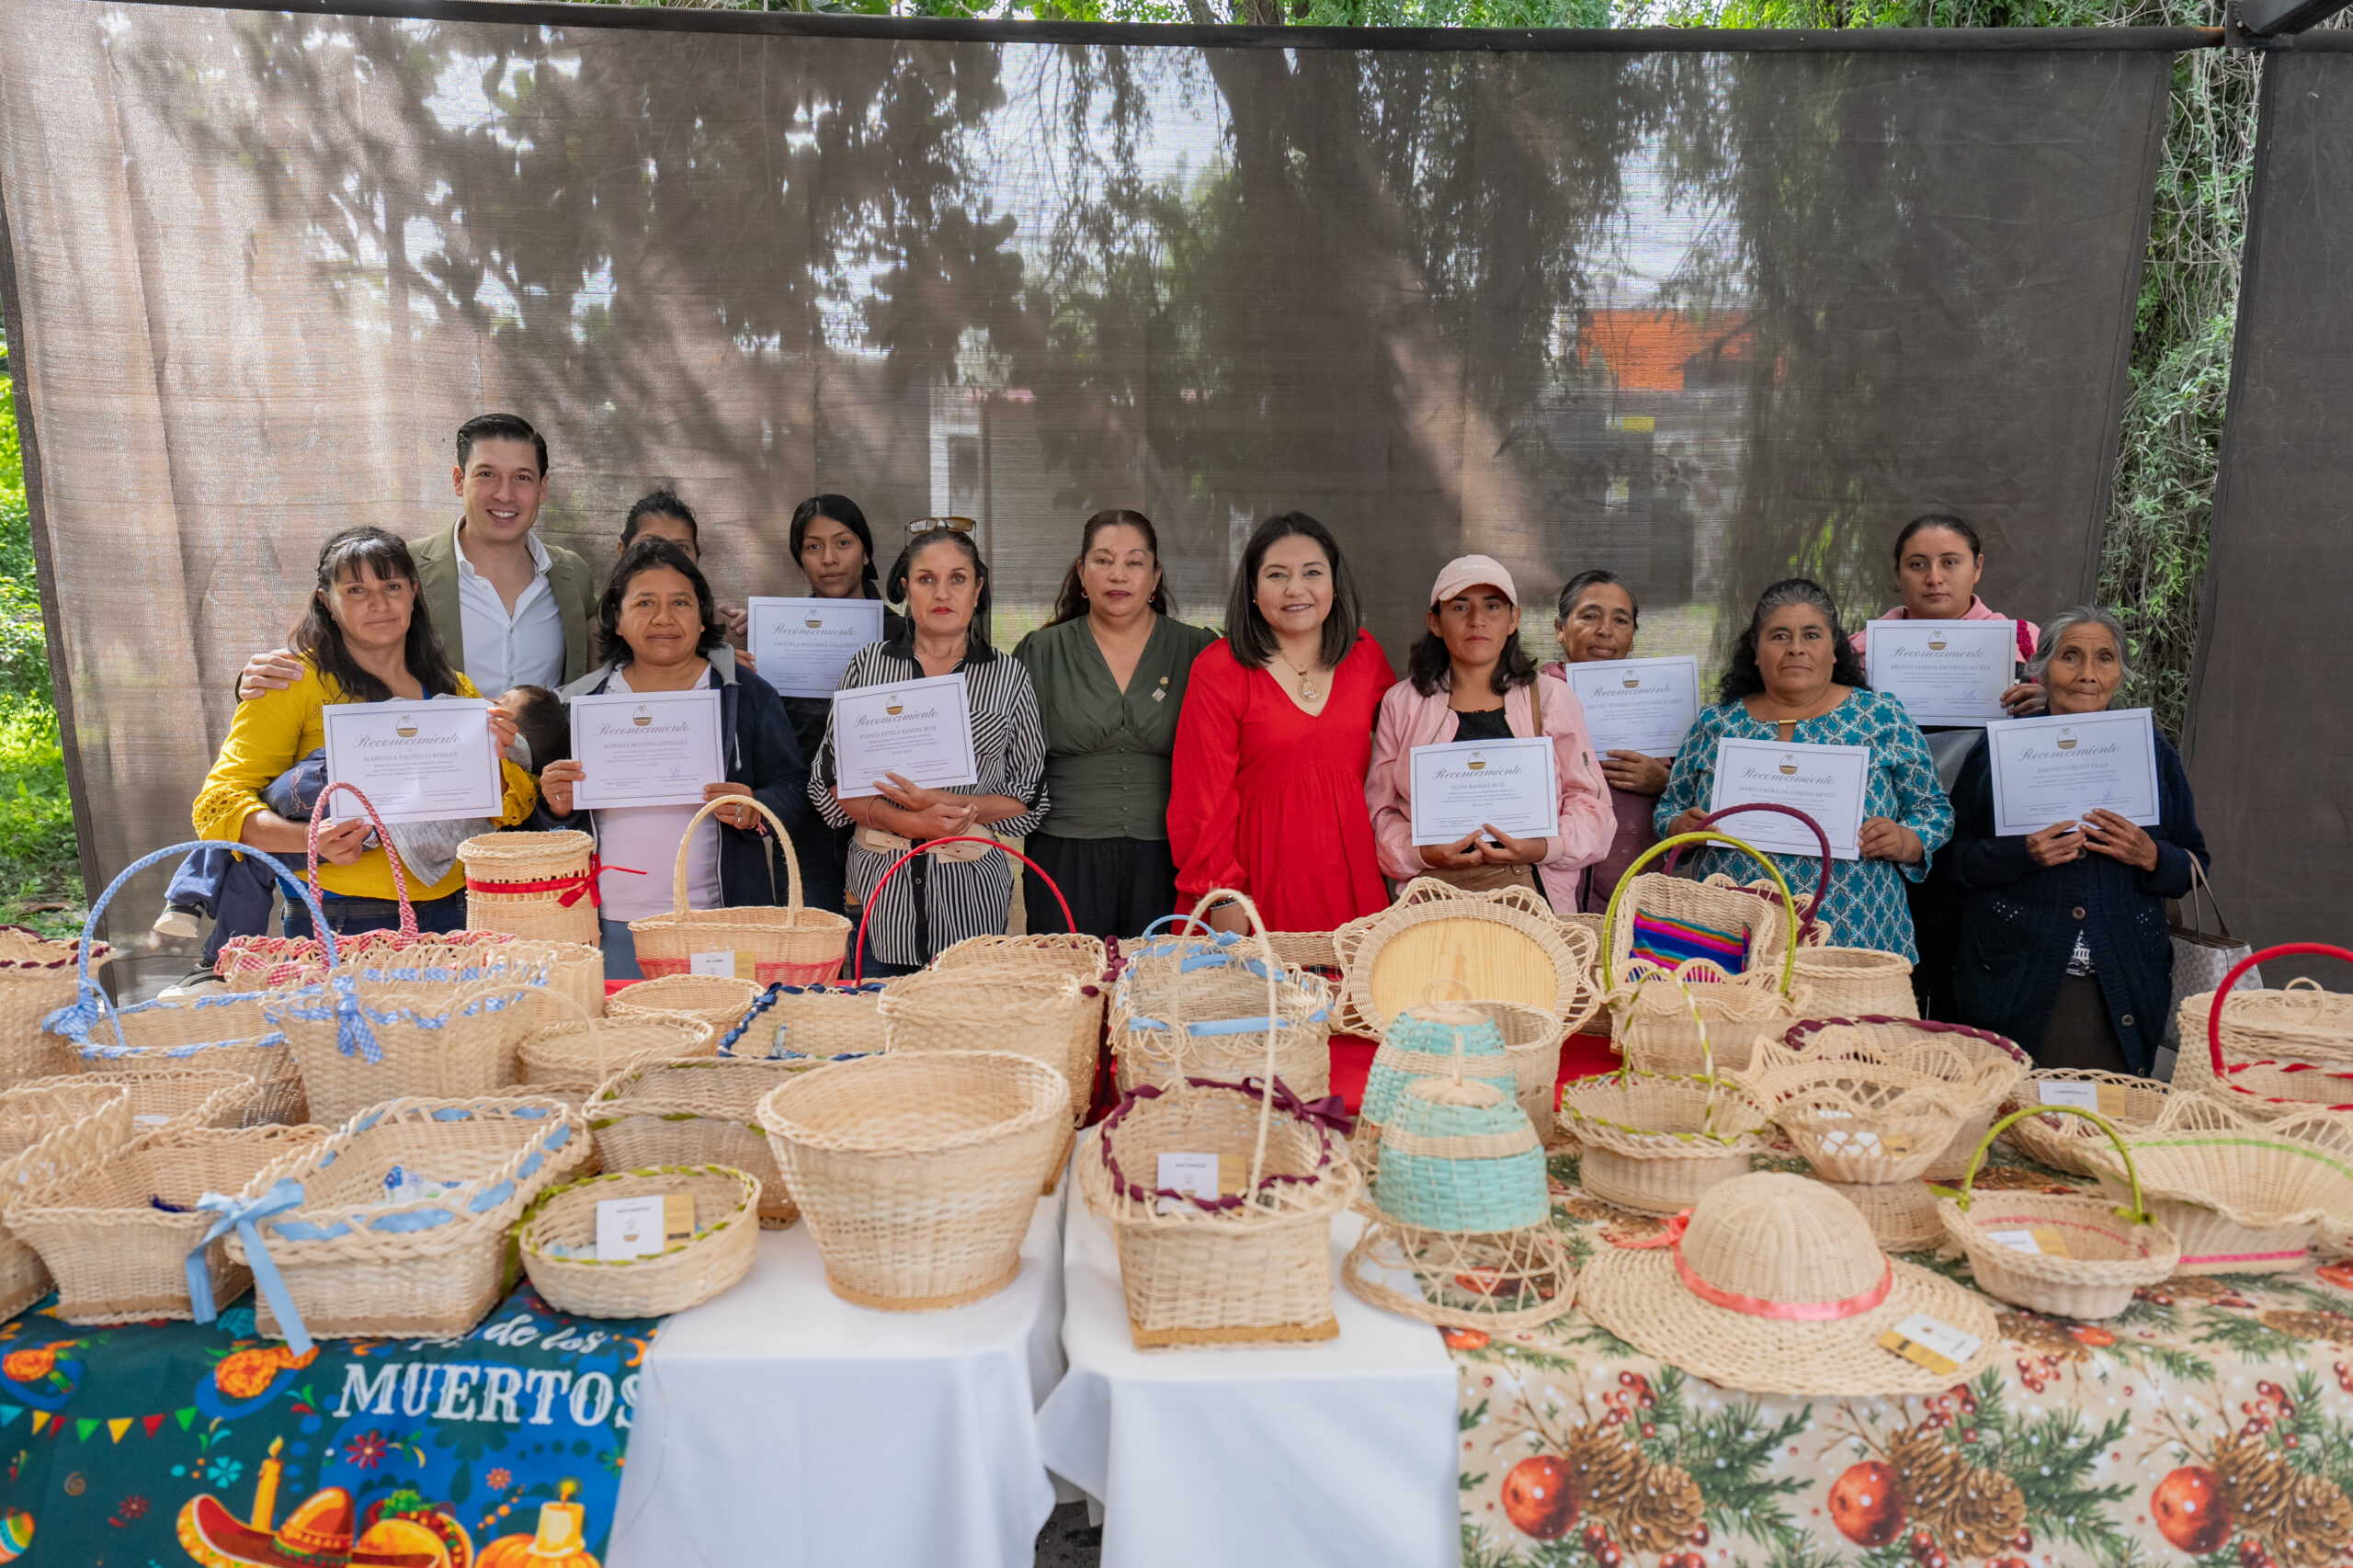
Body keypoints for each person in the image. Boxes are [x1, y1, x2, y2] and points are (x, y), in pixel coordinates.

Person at [189, 528, 538, 943]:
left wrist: (497, 763)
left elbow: (509, 809)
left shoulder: (455, 689)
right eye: (356, 590)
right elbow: (216, 805)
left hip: (460, 911)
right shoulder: (291, 684)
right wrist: (309, 838)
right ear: (327, 602)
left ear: (413, 592)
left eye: (392, 586)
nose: (379, 604)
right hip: (339, 919)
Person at [535, 538, 814, 980]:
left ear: (703, 619)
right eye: (645, 602)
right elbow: (549, 828)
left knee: (720, 1036)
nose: (664, 618)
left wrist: (753, 807)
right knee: (625, 1041)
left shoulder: (745, 695)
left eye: (680, 602)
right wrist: (555, 809)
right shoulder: (578, 705)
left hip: (720, 920)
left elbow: (796, 787)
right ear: (617, 619)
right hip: (605, 923)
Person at [1949, 608, 2207, 1074]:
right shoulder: (2000, 750)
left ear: (2120, 673)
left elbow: (2194, 865)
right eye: (2071, 657)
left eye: (2105, 658)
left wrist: (2151, 856)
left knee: (2101, 1128)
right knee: (2009, 1125)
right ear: (2042, 669)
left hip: (2117, 986)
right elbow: (1953, 859)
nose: (2088, 674)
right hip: (2012, 978)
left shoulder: (2150, 750)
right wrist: (2021, 853)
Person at [1656, 578, 1951, 961]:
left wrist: (1906, 841)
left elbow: (1934, 811)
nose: (1796, 648)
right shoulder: (1716, 724)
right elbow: (1668, 809)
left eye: (1811, 635)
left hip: (1857, 933)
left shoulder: (1881, 717)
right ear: (1756, 651)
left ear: (1834, 650)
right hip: (1731, 933)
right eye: (1779, 636)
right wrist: (1680, 828)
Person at [808, 523, 1047, 976]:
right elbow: (830, 782)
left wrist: (944, 803)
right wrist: (910, 820)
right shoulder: (868, 666)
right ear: (906, 588)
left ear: (977, 590)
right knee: (879, 1037)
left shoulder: (1009, 676)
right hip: (880, 895)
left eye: (958, 578)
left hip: (972, 897)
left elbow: (1028, 796)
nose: (943, 592)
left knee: (965, 1035)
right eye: (926, 579)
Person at [233, 414, 600, 699]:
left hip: (548, 785)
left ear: (543, 488)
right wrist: (257, 678)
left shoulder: (572, 575)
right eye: (486, 474)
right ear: (459, 481)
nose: (504, 494)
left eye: (522, 477)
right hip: (438, 776)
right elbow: (328, 642)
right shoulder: (401, 570)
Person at [1854, 515, 2046, 1017]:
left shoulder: (2025, 647)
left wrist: (2050, 705)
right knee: (1897, 984)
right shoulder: (1858, 653)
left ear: (1977, 568)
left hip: (1982, 842)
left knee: (1971, 984)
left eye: (1950, 562)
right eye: (1918, 565)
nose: (1934, 577)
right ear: (1898, 574)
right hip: (1889, 842)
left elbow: (2071, 738)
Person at [1169, 513, 1396, 934]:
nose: (1296, 589)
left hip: (1351, 879)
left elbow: (1411, 744)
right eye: (1277, 575)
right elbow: (1200, 799)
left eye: (1313, 572)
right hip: (1255, 885)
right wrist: (1221, 892)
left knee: (1349, 996)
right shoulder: (1219, 669)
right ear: (1253, 590)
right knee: (1261, 1000)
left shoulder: (1365, 656)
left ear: (1334, 584)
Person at [1013, 511, 1220, 939]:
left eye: (1134, 562)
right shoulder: (1042, 651)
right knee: (1072, 986)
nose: (1118, 575)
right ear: (1081, 573)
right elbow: (1009, 757)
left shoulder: (1199, 650)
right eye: (1103, 560)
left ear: (1155, 575)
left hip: (1172, 856)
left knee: (1163, 992)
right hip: (1065, 855)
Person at [1366, 556, 1613, 912]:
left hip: (1535, 899)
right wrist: (1420, 853)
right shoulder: (1402, 702)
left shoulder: (1552, 698)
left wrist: (1543, 847)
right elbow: (1380, 812)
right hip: (1432, 903)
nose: (1476, 620)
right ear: (1435, 622)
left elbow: (1592, 806)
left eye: (1492, 606)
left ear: (1513, 618)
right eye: (1460, 607)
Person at [775, 494, 892, 920]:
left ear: (865, 551)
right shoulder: (777, 638)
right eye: (813, 546)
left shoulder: (907, 637)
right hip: (807, 822)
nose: (829, 559)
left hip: (888, 819)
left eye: (843, 543)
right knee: (810, 952)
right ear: (799, 558)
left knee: (880, 949)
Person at [1541, 569, 1672, 914]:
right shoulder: (1530, 698)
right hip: (1551, 888)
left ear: (1633, 636)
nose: (1605, 631)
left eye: (1621, 620)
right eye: (1589, 616)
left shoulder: (1660, 700)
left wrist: (1664, 783)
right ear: (1560, 629)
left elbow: (1692, 803)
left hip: (1635, 895)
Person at [618, 489, 748, 645]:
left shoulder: (733, 634)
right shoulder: (587, 635)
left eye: (680, 548)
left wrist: (763, 630)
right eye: (649, 545)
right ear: (624, 553)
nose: (665, 556)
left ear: (697, 556)